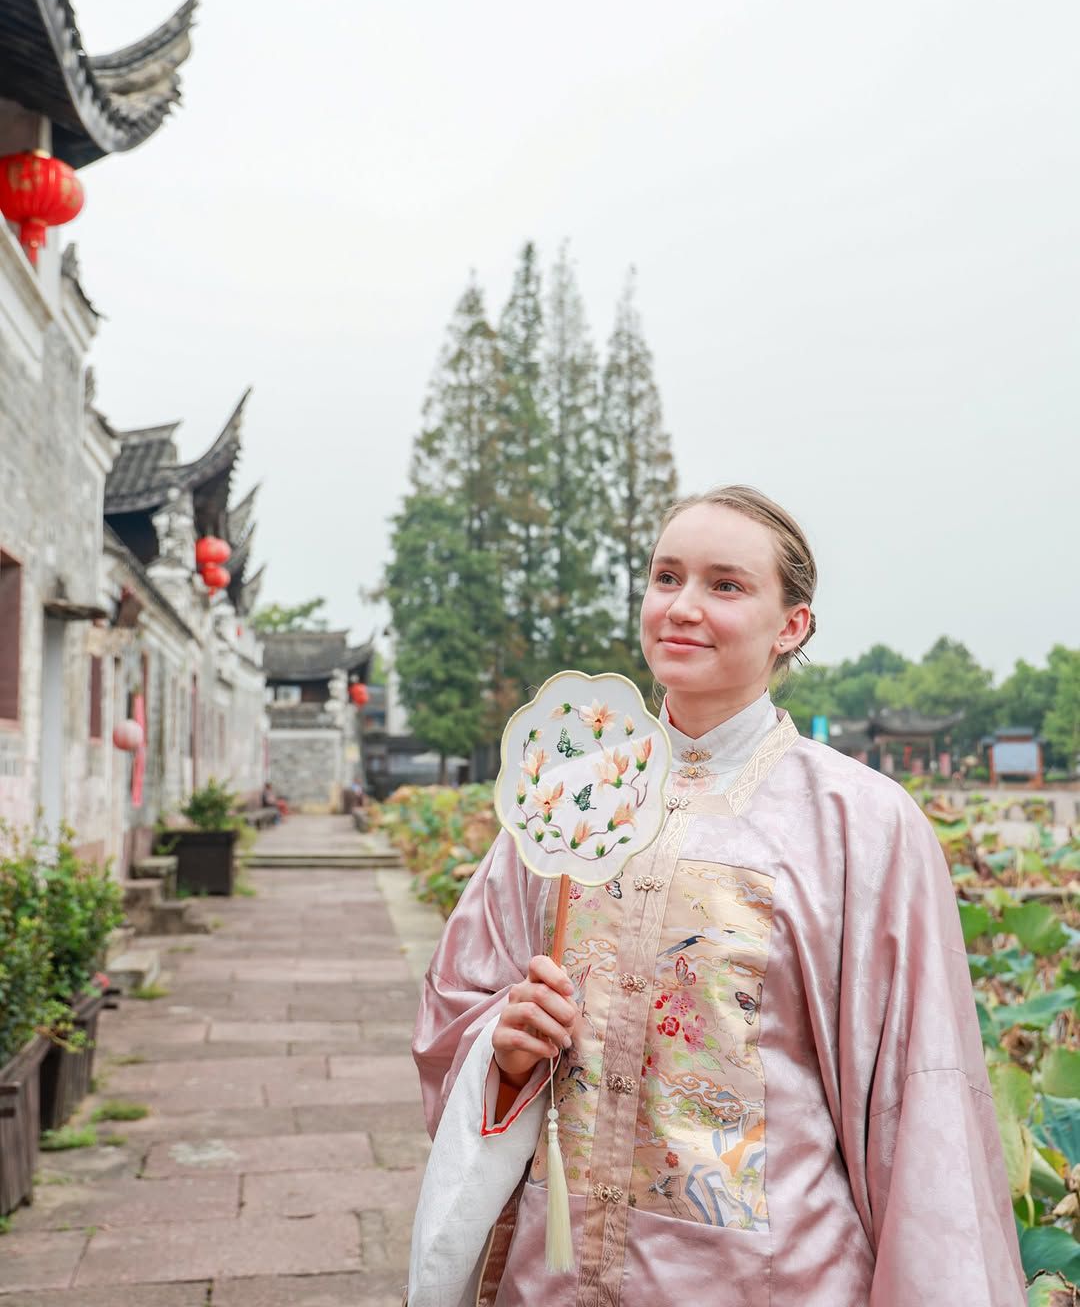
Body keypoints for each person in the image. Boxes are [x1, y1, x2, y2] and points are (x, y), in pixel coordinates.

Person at [410, 485, 1024, 1306]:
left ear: (791, 626)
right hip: (555, 1272)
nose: (682, 607)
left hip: (774, 1279)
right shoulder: (568, 800)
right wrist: (507, 1048)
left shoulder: (862, 824)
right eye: (666, 577)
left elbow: (923, 1097)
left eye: (725, 585)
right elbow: (459, 1007)